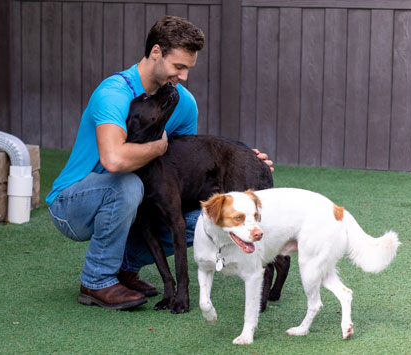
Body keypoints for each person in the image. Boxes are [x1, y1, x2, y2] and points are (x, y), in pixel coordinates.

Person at [46, 15, 273, 310]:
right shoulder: (114, 94)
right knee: (127, 185)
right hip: (73, 203)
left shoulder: (182, 102)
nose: (184, 76)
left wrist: (246, 162)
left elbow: (186, 165)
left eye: (188, 69)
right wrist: (157, 147)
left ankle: (124, 266)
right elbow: (113, 160)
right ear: (156, 52)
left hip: (133, 202)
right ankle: (97, 280)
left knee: (203, 219)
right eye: (178, 67)